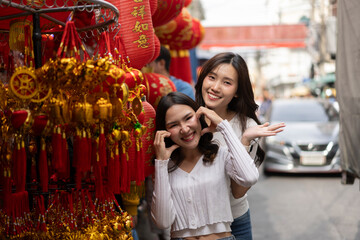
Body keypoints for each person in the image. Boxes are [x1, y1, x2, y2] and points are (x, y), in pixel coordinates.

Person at [151, 92, 284, 239]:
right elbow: (163, 222)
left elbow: (249, 178)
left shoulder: (220, 154)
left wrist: (223, 127)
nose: (184, 129)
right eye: (173, 125)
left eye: (188, 118)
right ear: (164, 131)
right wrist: (161, 163)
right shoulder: (164, 167)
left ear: (199, 116)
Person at [195, 52, 285, 240]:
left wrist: (242, 142)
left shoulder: (248, 127)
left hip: (235, 220)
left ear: (237, 91)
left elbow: (238, 192)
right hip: (193, 222)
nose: (215, 87)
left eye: (227, 82)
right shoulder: (188, 120)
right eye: (211, 77)